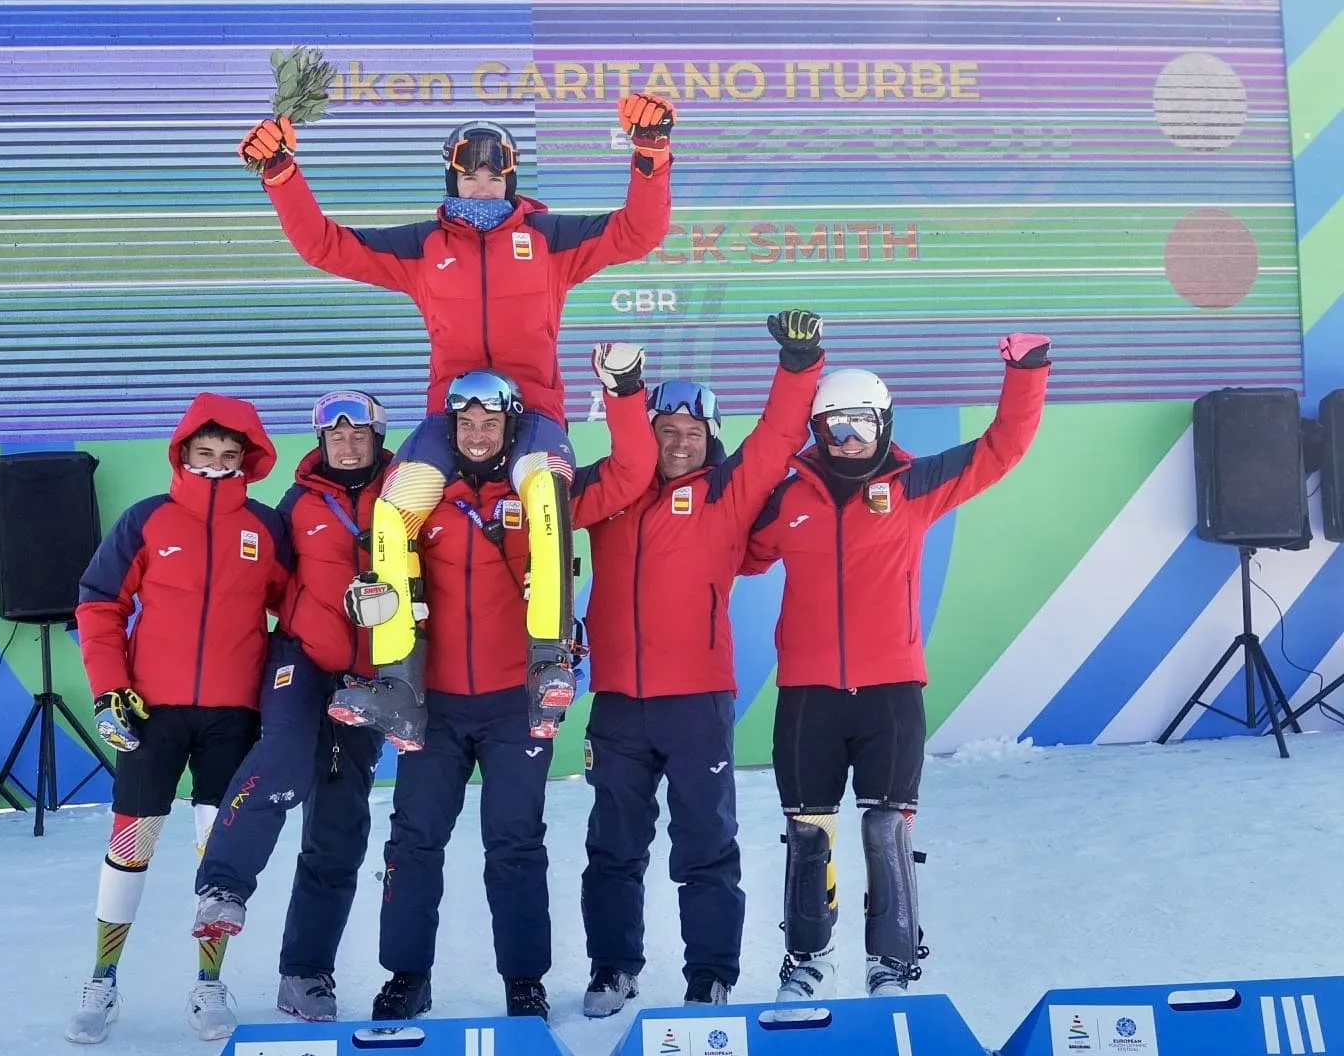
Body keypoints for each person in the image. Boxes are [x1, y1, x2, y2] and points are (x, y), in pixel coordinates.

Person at [238, 96, 676, 751]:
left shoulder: (548, 242)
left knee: (544, 492)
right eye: (470, 175)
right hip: (452, 420)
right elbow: (325, 246)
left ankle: (549, 662)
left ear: (511, 179)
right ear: (452, 178)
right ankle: (400, 688)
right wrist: (280, 174)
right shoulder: (424, 247)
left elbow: (638, 233)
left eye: (494, 176)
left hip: (531, 418)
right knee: (393, 511)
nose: (482, 185)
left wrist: (651, 156)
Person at [345, 347, 657, 1022]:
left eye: (490, 421)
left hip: (515, 704)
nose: (478, 432)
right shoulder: (418, 497)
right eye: (466, 422)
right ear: (450, 431)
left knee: (515, 845)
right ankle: (406, 975)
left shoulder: (547, 493)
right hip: (436, 707)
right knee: (413, 841)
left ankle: (524, 980)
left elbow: (632, 472)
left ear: (512, 427)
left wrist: (625, 391)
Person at [742, 333, 1052, 1001]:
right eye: (833, 426)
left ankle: (891, 965)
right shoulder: (787, 496)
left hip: (889, 692)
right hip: (808, 696)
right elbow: (736, 550)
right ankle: (806, 962)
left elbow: (1001, 450)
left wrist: (1026, 371)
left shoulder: (912, 485)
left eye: (861, 425)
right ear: (816, 430)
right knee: (808, 832)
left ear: (884, 423)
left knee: (887, 830)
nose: (848, 439)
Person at [574, 311, 826, 1017]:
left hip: (697, 703)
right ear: (645, 432)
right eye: (666, 431)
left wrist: (800, 364)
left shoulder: (726, 493)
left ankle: (709, 976)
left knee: (706, 847)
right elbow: (547, 508)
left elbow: (778, 438)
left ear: (709, 439)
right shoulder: (611, 494)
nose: (680, 444)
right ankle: (612, 969)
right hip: (619, 702)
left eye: (693, 434)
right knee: (613, 846)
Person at [64, 393, 293, 1045]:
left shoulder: (266, 529)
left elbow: (297, 611)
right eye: (206, 454)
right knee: (130, 844)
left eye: (229, 457)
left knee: (217, 853)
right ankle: (103, 979)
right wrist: (110, 690)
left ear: (248, 462)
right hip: (151, 714)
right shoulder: (148, 520)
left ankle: (208, 983)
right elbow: (99, 602)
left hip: (233, 717)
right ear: (183, 454)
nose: (217, 467)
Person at [186, 391, 392, 1023]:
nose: (347, 443)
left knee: (339, 824)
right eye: (336, 435)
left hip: (372, 673)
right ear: (321, 441)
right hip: (302, 655)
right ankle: (223, 884)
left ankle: (306, 976)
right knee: (280, 758)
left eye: (359, 433)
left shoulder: (409, 494)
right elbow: (257, 580)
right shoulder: (298, 503)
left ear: (378, 439)